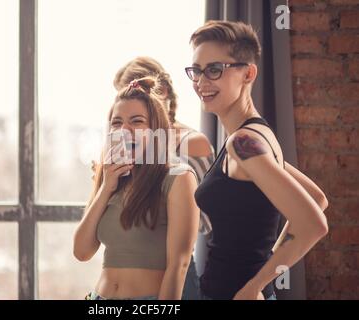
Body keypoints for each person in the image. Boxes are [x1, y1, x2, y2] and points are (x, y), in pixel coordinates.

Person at [186, 20, 329, 300]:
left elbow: (314, 223)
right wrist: (266, 269)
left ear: (248, 73)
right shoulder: (253, 137)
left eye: (214, 70)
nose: (202, 82)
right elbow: (317, 198)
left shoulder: (243, 143)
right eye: (196, 71)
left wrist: (255, 286)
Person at [74, 76, 200, 300]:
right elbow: (82, 251)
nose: (125, 129)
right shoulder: (111, 176)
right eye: (117, 122)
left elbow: (179, 266)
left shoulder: (179, 178)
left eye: (136, 121)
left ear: (155, 130)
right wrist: (106, 187)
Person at [112, 56, 215, 299]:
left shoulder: (193, 142)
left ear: (163, 92)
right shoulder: (133, 146)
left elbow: (206, 221)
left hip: (173, 273)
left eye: (137, 96)